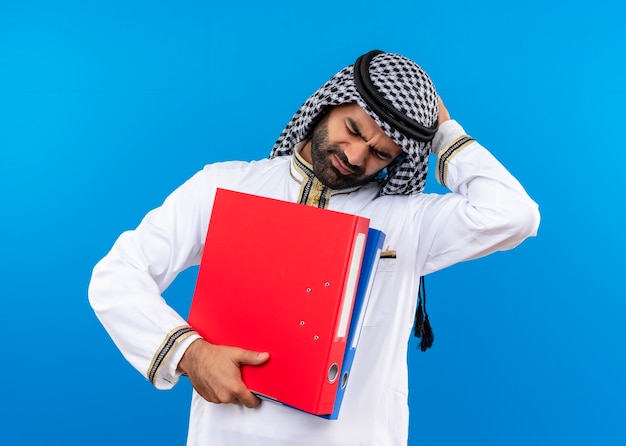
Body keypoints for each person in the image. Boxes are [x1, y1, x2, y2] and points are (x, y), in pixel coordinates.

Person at [88, 50, 540, 445]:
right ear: (329, 102)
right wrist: (189, 353)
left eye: (382, 153)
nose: (358, 156)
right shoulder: (223, 186)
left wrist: (442, 132)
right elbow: (117, 276)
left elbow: (513, 214)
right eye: (353, 129)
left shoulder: (408, 220)